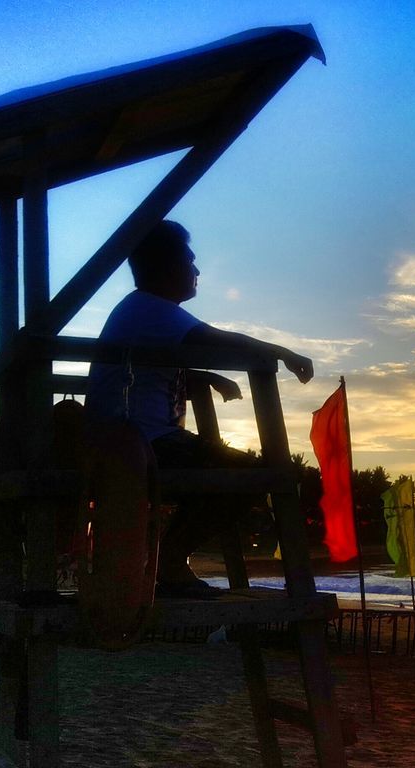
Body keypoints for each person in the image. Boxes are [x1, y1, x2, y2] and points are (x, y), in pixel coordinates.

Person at [85, 220, 315, 596]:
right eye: (190, 262)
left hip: (130, 440)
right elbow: (223, 341)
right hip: (140, 446)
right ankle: (169, 562)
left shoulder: (143, 312)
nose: (196, 271)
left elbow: (157, 364)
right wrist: (283, 353)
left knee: (238, 472)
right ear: (167, 267)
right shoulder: (154, 309)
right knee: (251, 476)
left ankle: (165, 561)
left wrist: (203, 376)